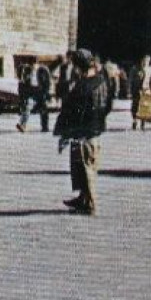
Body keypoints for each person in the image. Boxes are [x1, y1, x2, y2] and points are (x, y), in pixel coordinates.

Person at [54, 50, 111, 216]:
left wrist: (65, 132)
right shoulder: (102, 81)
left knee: (86, 168)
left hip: (83, 132)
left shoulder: (83, 85)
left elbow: (71, 111)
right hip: (94, 130)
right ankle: (82, 198)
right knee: (80, 166)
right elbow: (108, 105)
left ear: (79, 67)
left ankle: (90, 203)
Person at [129, 54, 151, 130]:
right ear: (142, 60)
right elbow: (130, 80)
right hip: (137, 90)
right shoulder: (135, 69)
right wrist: (129, 90)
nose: (146, 62)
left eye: (147, 61)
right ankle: (135, 120)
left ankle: (143, 122)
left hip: (146, 90)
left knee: (144, 107)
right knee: (135, 105)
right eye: (144, 60)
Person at [25, 58, 53, 132]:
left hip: (41, 91)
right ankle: (23, 124)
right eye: (31, 65)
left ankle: (45, 127)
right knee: (28, 107)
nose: (33, 66)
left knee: (43, 110)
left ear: (37, 63)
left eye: (34, 64)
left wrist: (46, 92)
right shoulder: (29, 71)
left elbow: (48, 82)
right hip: (33, 91)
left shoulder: (42, 70)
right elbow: (27, 81)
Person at [16, 62, 35, 132]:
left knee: (24, 110)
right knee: (27, 111)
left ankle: (21, 124)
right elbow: (31, 88)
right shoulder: (28, 79)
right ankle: (22, 125)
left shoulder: (21, 81)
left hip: (23, 96)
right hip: (27, 96)